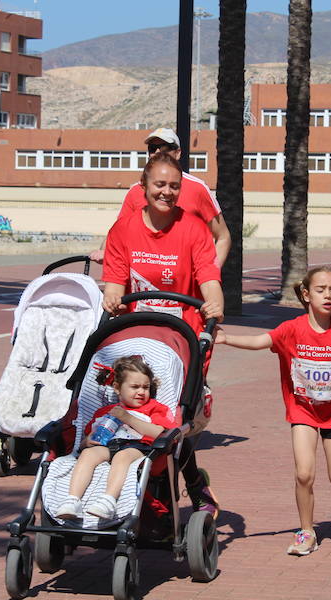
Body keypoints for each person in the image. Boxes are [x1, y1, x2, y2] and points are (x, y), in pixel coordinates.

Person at [215, 266, 331, 556]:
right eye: (321, 290)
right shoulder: (291, 329)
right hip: (302, 412)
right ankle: (307, 532)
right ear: (306, 295)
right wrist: (227, 339)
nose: (328, 296)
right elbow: (261, 342)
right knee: (304, 475)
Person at [102, 151, 224, 515]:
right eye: (159, 184)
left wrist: (214, 302)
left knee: (176, 420)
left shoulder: (193, 228)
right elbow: (113, 281)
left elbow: (209, 276)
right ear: (144, 187)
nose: (166, 192)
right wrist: (111, 294)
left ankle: (182, 490)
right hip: (136, 337)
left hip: (182, 339)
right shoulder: (124, 230)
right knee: (124, 406)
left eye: (174, 186)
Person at [55, 356, 176, 519]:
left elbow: (160, 433)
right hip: (108, 446)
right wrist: (86, 442)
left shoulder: (155, 408)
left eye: (146, 387)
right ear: (117, 388)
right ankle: (72, 500)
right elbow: (90, 435)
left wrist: (129, 418)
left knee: (123, 456)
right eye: (134, 387)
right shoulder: (107, 411)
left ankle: (108, 500)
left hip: (140, 448)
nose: (141, 392)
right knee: (88, 454)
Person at [91, 127, 231, 268]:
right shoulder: (135, 191)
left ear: (178, 153)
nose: (157, 152)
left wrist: (209, 275)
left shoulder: (198, 189)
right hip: (145, 287)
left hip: (183, 287)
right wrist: (104, 251)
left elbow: (223, 237)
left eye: (164, 148)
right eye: (153, 148)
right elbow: (117, 233)